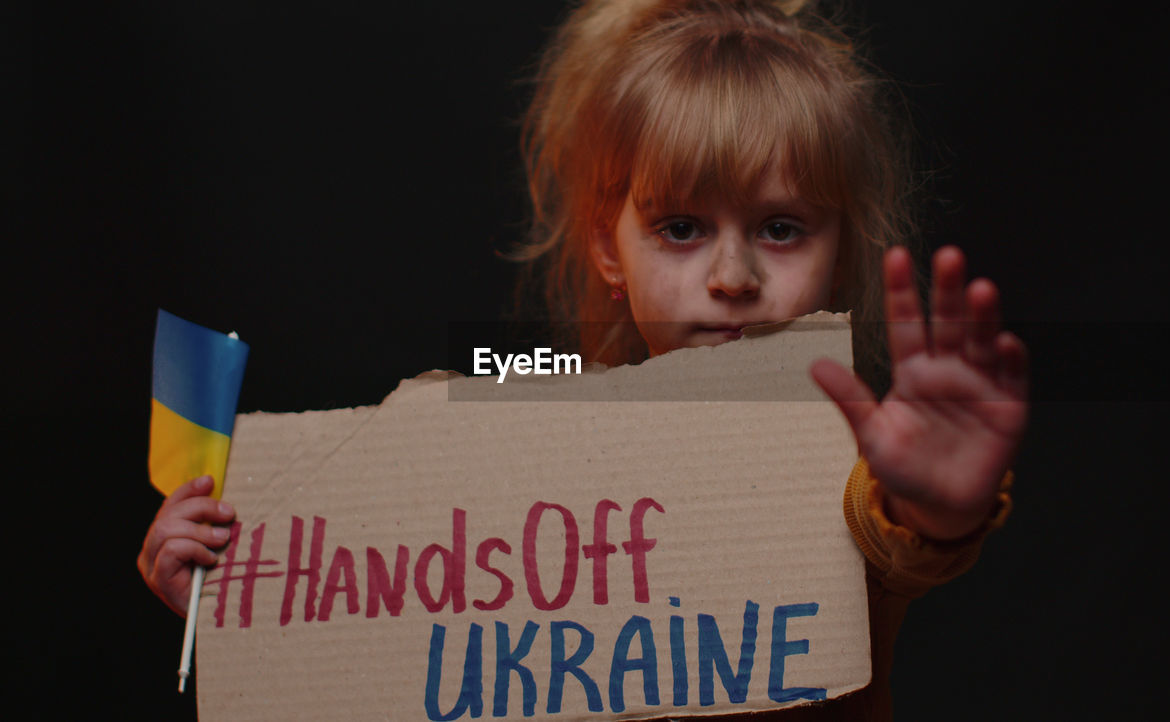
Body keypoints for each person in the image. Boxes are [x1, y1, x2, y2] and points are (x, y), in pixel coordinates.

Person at [139, 1, 1028, 718]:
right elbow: (399, 574)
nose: (732, 276)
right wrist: (247, 596)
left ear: (839, 248)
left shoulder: (856, 440)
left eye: (780, 227)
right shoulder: (528, 385)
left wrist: (932, 508)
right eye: (681, 228)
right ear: (610, 249)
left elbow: (891, 532)